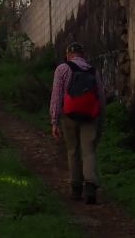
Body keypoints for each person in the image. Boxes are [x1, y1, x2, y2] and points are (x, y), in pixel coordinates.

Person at [49, 41, 104, 204]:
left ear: (68, 55)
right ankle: (90, 186)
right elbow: (100, 97)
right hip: (90, 116)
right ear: (83, 55)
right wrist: (101, 120)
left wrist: (54, 121)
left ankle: (76, 188)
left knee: (73, 151)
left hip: (69, 116)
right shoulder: (93, 71)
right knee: (89, 151)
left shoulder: (63, 69)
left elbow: (57, 96)